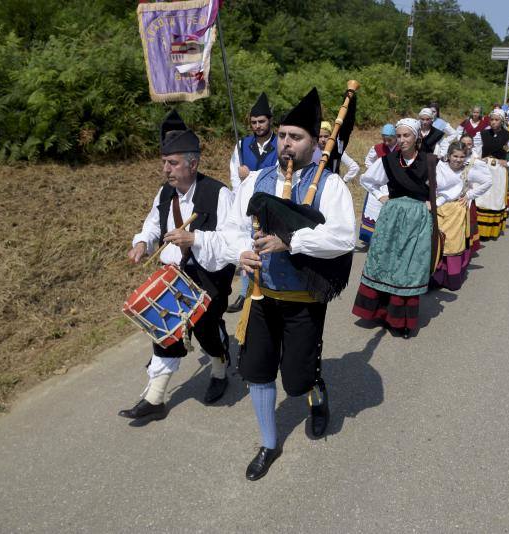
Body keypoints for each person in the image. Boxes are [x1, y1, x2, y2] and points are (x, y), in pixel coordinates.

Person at [220, 88, 356, 480]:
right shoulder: (255, 181)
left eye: (295, 137)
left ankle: (316, 391)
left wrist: (292, 241)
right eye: (281, 136)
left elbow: (344, 237)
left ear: (314, 144)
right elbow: (232, 228)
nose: (285, 144)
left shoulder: (328, 185)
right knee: (258, 372)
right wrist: (239, 253)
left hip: (303, 298)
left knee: (296, 378)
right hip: (260, 296)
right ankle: (268, 443)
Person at [122, 110, 236, 420]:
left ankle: (219, 368)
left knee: (207, 332)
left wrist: (194, 239)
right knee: (165, 328)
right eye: (164, 163)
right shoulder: (165, 193)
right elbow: (152, 224)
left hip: (208, 276)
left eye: (172, 163)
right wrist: (143, 242)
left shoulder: (219, 193)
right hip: (173, 275)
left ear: (193, 164)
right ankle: (155, 399)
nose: (166, 169)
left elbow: (230, 243)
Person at [352, 118, 438, 339]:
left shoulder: (429, 161)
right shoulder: (388, 160)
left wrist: (434, 202)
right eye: (398, 136)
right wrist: (382, 196)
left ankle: (401, 320)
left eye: (406, 135)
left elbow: (452, 185)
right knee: (386, 261)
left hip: (417, 219)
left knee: (408, 267)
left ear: (417, 137)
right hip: (391, 217)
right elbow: (367, 179)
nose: (401, 140)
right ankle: (380, 313)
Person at [228, 93, 278, 313]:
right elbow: (233, 176)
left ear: (270, 121)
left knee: (270, 248)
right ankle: (244, 292)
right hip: (247, 206)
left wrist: (251, 175)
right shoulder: (242, 145)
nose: (258, 126)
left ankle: (272, 288)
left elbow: (282, 173)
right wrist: (240, 184)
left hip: (272, 204)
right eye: (254, 122)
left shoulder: (280, 143)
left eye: (262, 121)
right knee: (248, 247)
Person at [430, 142, 491, 290]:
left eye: (462, 157)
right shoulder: (439, 167)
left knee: (452, 244)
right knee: (435, 242)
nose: (458, 160)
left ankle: (450, 279)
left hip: (456, 209)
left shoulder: (468, 171)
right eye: (455, 156)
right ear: (449, 155)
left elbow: (488, 181)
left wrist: (470, 194)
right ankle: (434, 278)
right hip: (437, 208)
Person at [472, 109, 509, 238]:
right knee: (481, 197)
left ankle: (491, 230)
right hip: (483, 169)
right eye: (492, 119)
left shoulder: (508, 136)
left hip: (498, 171)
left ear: (502, 121)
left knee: (494, 198)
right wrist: (479, 159)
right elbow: (475, 150)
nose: (493, 122)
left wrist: (508, 163)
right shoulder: (482, 134)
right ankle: (479, 230)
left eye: (496, 120)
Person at [360, 124, 398, 247]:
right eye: (384, 139)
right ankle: (370, 238)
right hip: (379, 185)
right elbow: (368, 161)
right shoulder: (377, 148)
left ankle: (387, 239)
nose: (386, 143)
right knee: (373, 210)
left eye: (390, 140)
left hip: (394, 185)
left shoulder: (401, 149)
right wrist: (375, 173)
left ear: (396, 137)